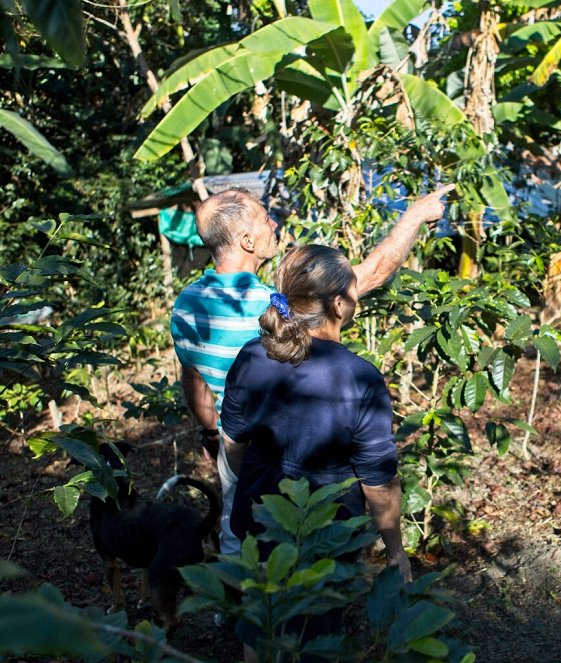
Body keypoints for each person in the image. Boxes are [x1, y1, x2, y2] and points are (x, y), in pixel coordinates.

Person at [171, 184, 453, 555]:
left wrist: (211, 431)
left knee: (240, 537)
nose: (273, 223)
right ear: (246, 240)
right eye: (264, 219)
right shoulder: (274, 305)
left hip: (235, 442)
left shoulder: (187, 304)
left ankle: (236, 608)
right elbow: (365, 277)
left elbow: (193, 380)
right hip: (289, 452)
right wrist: (414, 216)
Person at [220, 244, 409, 662]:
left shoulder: (252, 355)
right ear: (339, 304)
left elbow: (233, 444)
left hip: (259, 511)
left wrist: (255, 486)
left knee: (261, 617)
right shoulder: (358, 378)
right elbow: (377, 483)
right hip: (324, 525)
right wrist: (394, 548)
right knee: (316, 630)